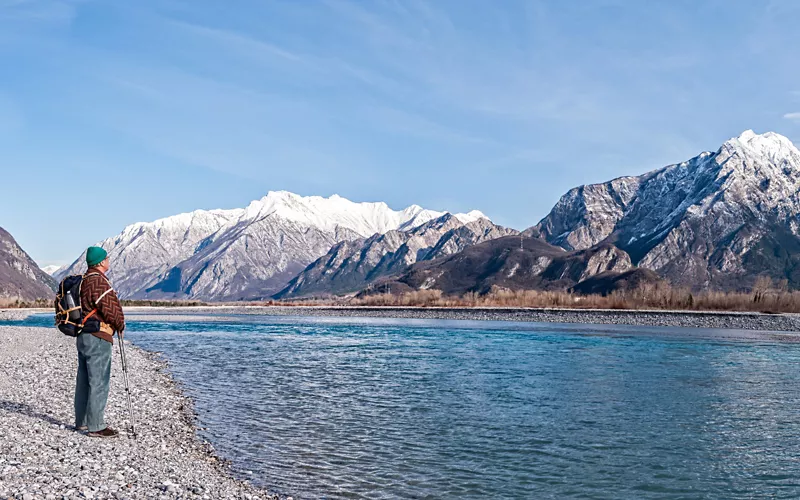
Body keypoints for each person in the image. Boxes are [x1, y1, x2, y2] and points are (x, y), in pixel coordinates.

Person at [74, 246, 126, 438]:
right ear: (101, 262)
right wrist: (120, 325)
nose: (108, 261)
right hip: (98, 335)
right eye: (107, 258)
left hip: (83, 335)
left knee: (84, 380)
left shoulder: (84, 280)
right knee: (99, 381)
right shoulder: (99, 282)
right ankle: (96, 426)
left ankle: (82, 422)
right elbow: (111, 310)